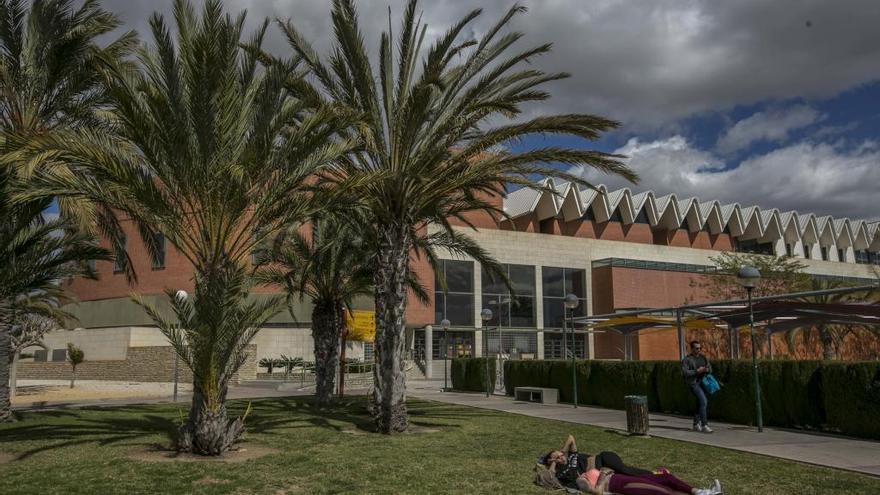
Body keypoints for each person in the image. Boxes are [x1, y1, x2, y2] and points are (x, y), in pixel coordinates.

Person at [541, 435, 721, 494]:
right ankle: (658, 473)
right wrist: (553, 464)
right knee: (640, 478)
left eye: (557, 455)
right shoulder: (564, 471)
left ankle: (658, 474)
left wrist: (561, 451)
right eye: (554, 458)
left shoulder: (571, 455)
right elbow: (549, 478)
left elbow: (571, 438)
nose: (558, 457)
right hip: (608, 476)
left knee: (626, 470)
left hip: (604, 459)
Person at [681, 340, 712, 433]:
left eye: (700, 348)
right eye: (697, 348)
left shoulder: (703, 357)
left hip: (704, 383)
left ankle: (695, 424)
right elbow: (685, 372)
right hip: (694, 384)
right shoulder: (687, 359)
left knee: (699, 403)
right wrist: (697, 371)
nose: (699, 350)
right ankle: (704, 425)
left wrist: (705, 370)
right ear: (692, 349)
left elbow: (710, 368)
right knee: (704, 401)